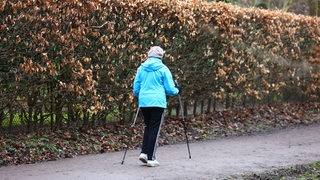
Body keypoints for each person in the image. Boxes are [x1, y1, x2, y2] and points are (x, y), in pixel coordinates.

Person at [133, 46, 180, 167]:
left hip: (144, 102)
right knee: (154, 128)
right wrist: (178, 90)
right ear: (161, 56)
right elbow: (170, 89)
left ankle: (144, 152)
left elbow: (136, 88)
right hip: (157, 102)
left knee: (148, 126)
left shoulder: (141, 68)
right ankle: (151, 158)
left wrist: (141, 96)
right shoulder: (163, 69)